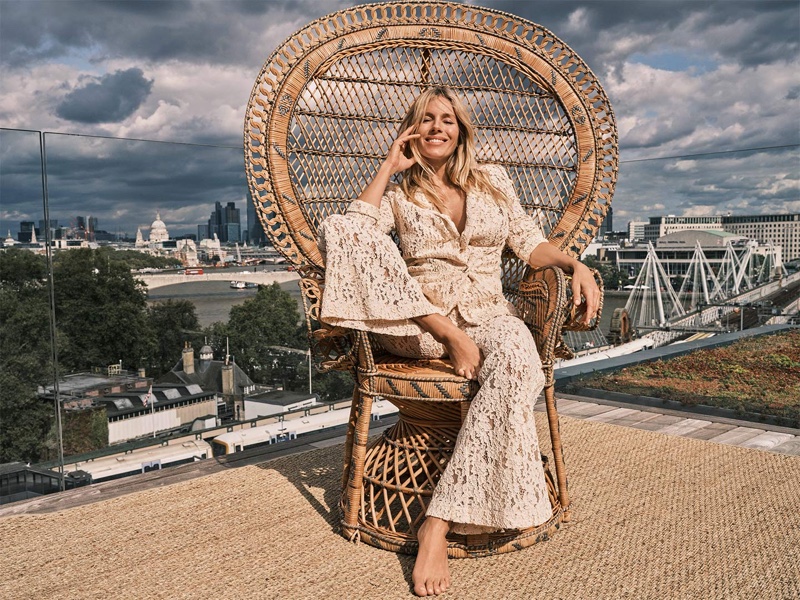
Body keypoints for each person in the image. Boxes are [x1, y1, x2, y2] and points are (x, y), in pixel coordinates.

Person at [319, 87, 599, 597]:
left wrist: (574, 264)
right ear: (411, 130)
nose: (436, 128)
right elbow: (354, 230)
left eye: (447, 119)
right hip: (421, 325)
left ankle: (438, 521)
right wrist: (388, 164)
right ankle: (449, 340)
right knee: (347, 232)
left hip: (490, 311)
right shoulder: (400, 193)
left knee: (518, 361)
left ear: (461, 129)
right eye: (425, 120)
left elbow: (529, 244)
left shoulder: (494, 181)